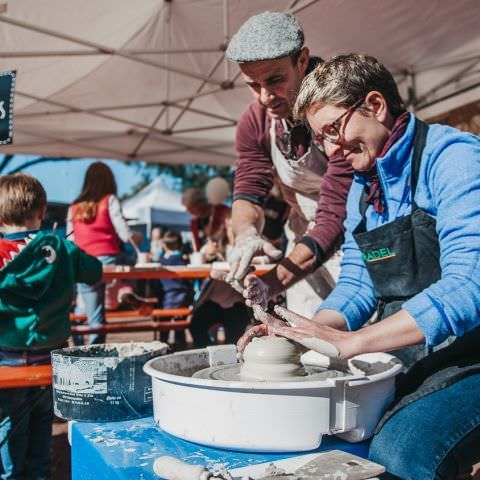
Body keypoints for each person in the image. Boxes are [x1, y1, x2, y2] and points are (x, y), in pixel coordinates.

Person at [245, 54, 480, 479]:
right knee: (338, 433)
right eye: (322, 139)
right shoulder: (363, 191)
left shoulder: (453, 158)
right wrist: (306, 332)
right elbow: (357, 285)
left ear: (374, 105)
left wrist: (356, 342)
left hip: (473, 353)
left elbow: (470, 285)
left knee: (404, 450)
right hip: (415, 353)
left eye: (334, 130)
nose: (332, 149)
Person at [222, 11, 354, 317]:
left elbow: (336, 211)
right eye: (253, 85)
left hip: (358, 236)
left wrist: (273, 281)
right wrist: (246, 235)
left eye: (275, 80)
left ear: (303, 60)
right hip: (303, 236)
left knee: (362, 346)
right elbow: (249, 188)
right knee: (308, 343)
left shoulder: (340, 106)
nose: (265, 96)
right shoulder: (255, 121)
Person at [0, 173, 102, 479]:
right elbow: (94, 271)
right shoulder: (61, 246)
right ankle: (40, 473)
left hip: (6, 356)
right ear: (43, 211)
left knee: (9, 423)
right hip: (50, 357)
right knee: (42, 418)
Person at [67, 162, 144, 344]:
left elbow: (70, 240)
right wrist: (138, 237)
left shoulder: (74, 206)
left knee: (84, 305)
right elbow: (125, 235)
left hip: (82, 260)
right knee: (96, 315)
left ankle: (77, 348)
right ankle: (124, 289)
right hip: (107, 260)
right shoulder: (109, 200)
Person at [182, 186, 230, 251]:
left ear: (200, 203)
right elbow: (196, 244)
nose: (189, 212)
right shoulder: (194, 222)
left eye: (190, 208)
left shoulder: (222, 211)